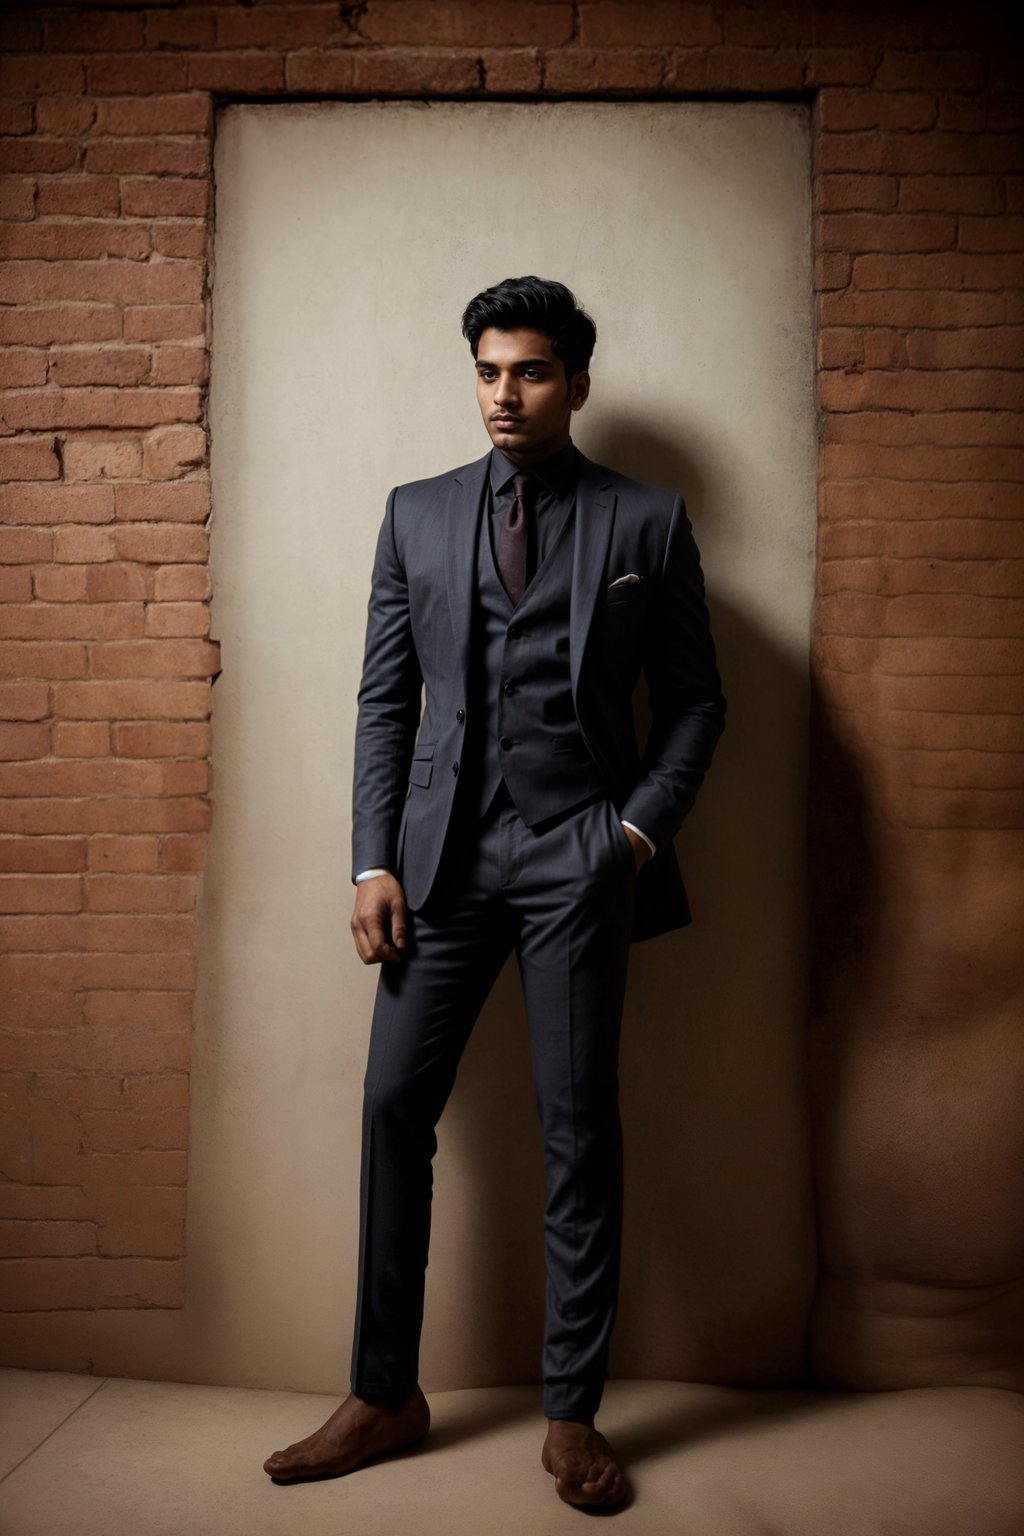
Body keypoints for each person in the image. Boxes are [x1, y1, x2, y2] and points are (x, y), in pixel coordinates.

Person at [263, 276, 726, 1508]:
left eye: (526, 372)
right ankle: (384, 1391)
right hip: (445, 865)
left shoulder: (646, 522)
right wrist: (372, 860)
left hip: (580, 856)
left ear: (576, 380)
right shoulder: (414, 516)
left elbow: (695, 702)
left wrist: (629, 838)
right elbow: (384, 701)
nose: (501, 395)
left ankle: (572, 1413)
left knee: (578, 1133)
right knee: (389, 1110)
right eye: (485, 370)